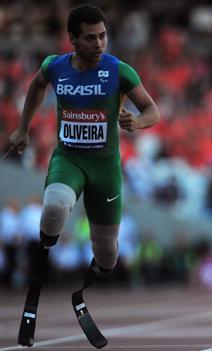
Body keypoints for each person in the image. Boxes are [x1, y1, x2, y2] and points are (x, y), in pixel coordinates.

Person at [5, 4, 159, 346]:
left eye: (103, 36)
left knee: (107, 256)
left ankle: (91, 274)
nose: (99, 43)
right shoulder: (55, 66)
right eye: (90, 38)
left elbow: (152, 110)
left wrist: (138, 122)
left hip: (105, 170)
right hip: (69, 159)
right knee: (55, 207)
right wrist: (22, 129)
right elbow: (36, 87)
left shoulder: (120, 71)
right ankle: (43, 256)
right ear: (72, 39)